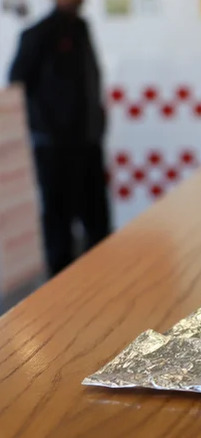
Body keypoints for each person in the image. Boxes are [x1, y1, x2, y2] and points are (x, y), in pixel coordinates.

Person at [8, 0, 111, 277]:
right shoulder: (38, 34)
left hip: (88, 141)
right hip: (54, 148)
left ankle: (104, 278)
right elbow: (17, 85)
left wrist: (98, 123)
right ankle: (61, 289)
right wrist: (46, 126)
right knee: (59, 223)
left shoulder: (81, 27)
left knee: (97, 220)